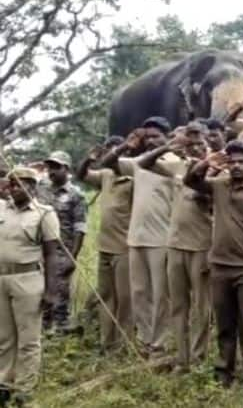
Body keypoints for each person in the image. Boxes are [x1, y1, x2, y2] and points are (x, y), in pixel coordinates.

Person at [184, 140, 243, 387]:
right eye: (232, 162)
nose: (237, 166)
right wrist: (206, 164)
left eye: (242, 162)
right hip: (220, 265)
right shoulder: (219, 185)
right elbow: (191, 182)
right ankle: (223, 372)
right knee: (224, 323)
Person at [137, 122, 212, 372]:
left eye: (200, 141)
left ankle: (199, 357)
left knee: (202, 307)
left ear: (208, 141)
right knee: (178, 305)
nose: (197, 147)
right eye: (191, 143)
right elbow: (143, 165)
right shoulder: (177, 166)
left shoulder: (218, 170)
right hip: (175, 245)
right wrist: (166, 147)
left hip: (202, 246)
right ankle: (182, 358)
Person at [100, 116, 177, 357]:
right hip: (135, 238)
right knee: (140, 293)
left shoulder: (175, 163)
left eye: (156, 136)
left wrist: (167, 147)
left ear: (168, 137)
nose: (151, 141)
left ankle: (160, 343)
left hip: (162, 238)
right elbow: (107, 161)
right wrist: (126, 145)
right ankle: (145, 341)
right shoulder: (138, 163)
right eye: (148, 137)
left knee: (160, 295)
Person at [0, 168, 59, 406]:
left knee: (29, 337)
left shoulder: (44, 214)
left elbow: (52, 254)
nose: (14, 189)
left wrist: (51, 291)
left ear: (32, 187)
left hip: (29, 279)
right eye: (11, 184)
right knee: (4, 336)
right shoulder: (2, 209)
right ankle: (4, 381)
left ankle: (24, 386)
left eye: (20, 184)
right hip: (2, 278)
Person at [77, 137, 135, 351]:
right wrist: (88, 159)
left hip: (126, 247)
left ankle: (124, 344)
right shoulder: (105, 176)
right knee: (106, 296)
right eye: (109, 153)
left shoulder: (134, 179)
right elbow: (81, 175)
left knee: (125, 298)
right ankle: (107, 342)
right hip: (105, 246)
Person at [39, 151, 87, 333]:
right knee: (39, 290)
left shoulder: (76, 195)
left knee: (59, 291)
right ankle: (43, 327)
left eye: (56, 167)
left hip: (61, 250)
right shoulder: (41, 187)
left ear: (66, 168)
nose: (51, 171)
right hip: (39, 248)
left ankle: (61, 329)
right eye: (49, 167)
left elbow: (80, 228)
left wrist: (72, 257)